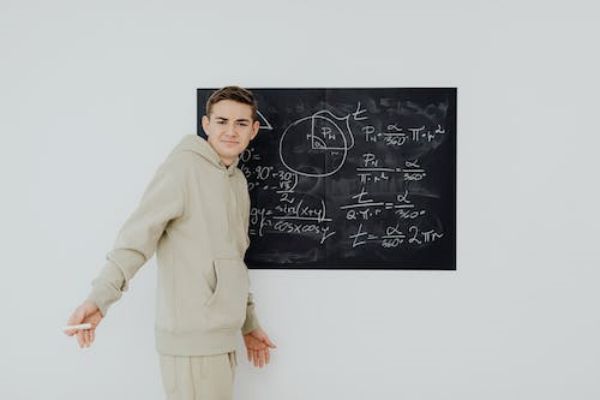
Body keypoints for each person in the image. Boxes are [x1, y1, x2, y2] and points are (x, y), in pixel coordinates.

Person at [64, 86, 276, 399]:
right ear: (206, 124)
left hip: (221, 338)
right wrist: (99, 299)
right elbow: (137, 238)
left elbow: (233, 258)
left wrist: (248, 324)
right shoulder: (183, 169)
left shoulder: (237, 181)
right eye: (222, 121)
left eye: (241, 123)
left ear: (254, 130)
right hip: (191, 342)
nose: (231, 131)